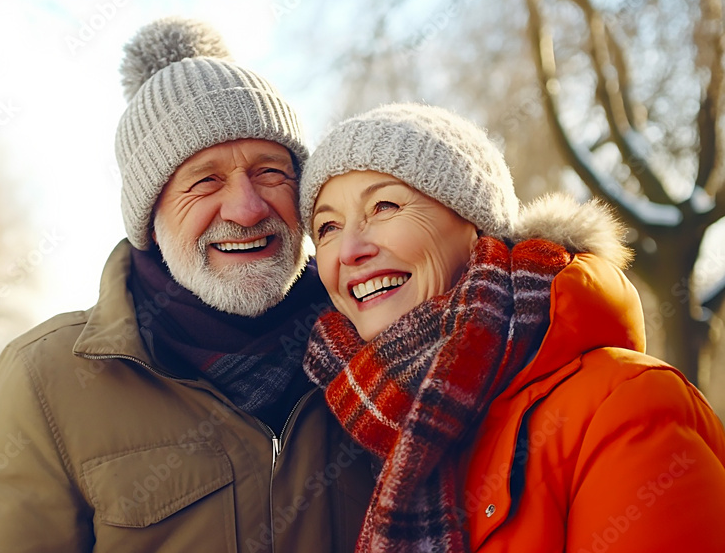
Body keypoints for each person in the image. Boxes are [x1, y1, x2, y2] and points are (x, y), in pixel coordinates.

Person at [0, 17, 374, 553]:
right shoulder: (48, 378)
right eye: (205, 180)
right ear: (151, 217)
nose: (247, 209)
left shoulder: (382, 345)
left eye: (270, 172)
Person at [297, 102, 725, 552]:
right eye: (327, 228)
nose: (349, 250)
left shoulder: (627, 404)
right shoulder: (348, 432)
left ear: (477, 227)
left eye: (384, 206)